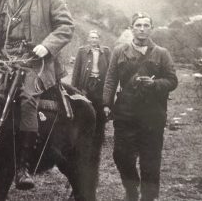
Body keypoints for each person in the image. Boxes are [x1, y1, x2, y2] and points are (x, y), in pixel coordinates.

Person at [0, 0, 74, 190]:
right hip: (5, 57)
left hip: (36, 61)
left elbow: (66, 26)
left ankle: (22, 166)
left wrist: (47, 46)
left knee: (26, 98)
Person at [102, 12, 178, 201]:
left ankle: (148, 198)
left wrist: (155, 84)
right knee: (121, 156)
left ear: (151, 29)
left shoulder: (162, 53)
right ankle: (131, 188)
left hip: (153, 116)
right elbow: (111, 79)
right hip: (125, 114)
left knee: (150, 163)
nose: (142, 29)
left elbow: (172, 80)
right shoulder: (120, 51)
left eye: (146, 25)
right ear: (131, 28)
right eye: (138, 25)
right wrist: (106, 104)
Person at [71, 30, 111, 135]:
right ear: (88, 39)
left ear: (99, 39)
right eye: (92, 37)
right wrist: (73, 88)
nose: (94, 40)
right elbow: (76, 71)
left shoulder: (106, 51)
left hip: (100, 84)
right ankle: (84, 131)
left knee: (99, 107)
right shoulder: (82, 51)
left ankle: (99, 132)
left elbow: (110, 70)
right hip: (86, 84)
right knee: (85, 106)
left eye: (96, 38)